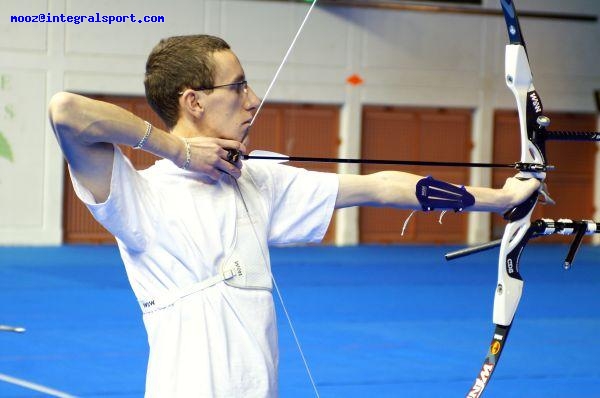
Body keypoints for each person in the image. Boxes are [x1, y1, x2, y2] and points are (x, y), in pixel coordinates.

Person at [48, 34, 539, 398]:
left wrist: (500, 199)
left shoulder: (258, 182)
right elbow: (66, 110)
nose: (254, 100)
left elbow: (381, 186)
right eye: (237, 86)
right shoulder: (138, 195)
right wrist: (179, 152)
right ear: (193, 100)